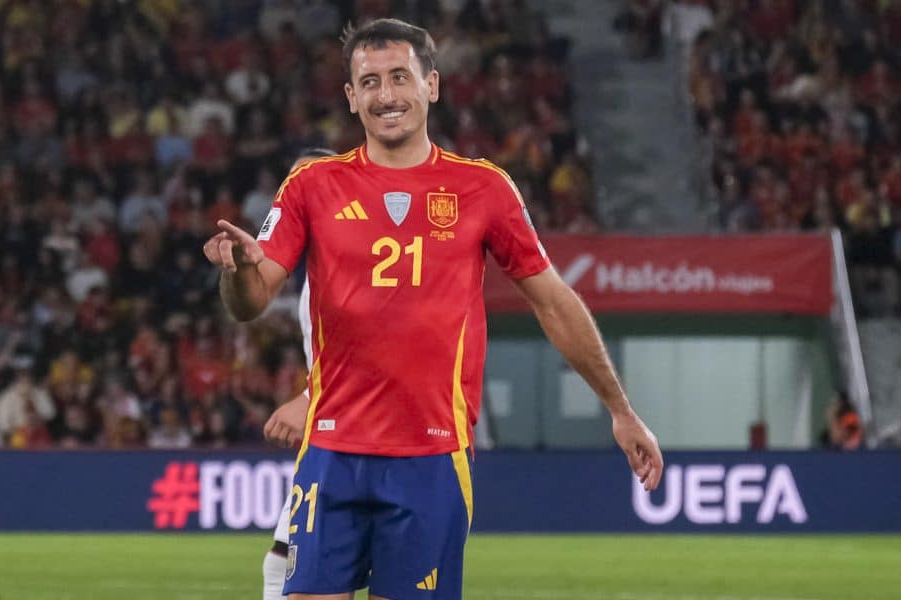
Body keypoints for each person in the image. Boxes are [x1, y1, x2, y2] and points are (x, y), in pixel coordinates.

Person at [203, 19, 663, 600]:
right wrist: (240, 271)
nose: (386, 95)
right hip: (330, 451)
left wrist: (620, 410)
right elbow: (251, 303)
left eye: (400, 77)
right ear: (350, 97)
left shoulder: (485, 189)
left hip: (431, 454)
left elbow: (554, 301)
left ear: (432, 86)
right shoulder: (310, 186)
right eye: (369, 82)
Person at [255, 147, 338, 600]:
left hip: (359, 433)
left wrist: (309, 398)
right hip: (330, 429)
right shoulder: (312, 272)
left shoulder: (356, 263)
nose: (294, 193)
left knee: (293, 562)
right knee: (285, 558)